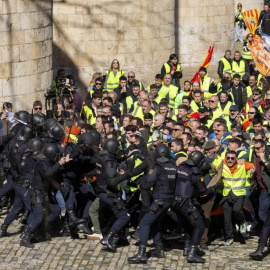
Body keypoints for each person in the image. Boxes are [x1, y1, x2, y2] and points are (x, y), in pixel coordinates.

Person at [127, 144, 177, 264]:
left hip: (159, 200)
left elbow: (148, 183)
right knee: (154, 222)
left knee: (144, 222)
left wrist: (141, 186)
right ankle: (159, 249)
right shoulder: (173, 166)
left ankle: (142, 253)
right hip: (169, 200)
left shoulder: (157, 167)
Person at [173, 151, 222, 263]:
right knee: (199, 225)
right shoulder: (195, 172)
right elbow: (202, 191)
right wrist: (214, 188)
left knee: (189, 223)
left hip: (175, 201)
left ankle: (186, 248)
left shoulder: (181, 166)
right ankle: (192, 253)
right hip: (185, 202)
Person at [220, 151, 255, 246]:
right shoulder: (222, 164)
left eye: (232, 158)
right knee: (227, 218)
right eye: (228, 158)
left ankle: (242, 222)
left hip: (239, 194)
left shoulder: (242, 165)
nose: (230, 160)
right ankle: (229, 237)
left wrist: (252, 169)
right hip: (226, 194)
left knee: (237, 210)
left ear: (236, 159)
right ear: (225, 158)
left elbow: (253, 166)